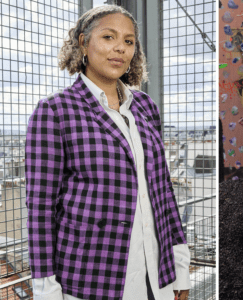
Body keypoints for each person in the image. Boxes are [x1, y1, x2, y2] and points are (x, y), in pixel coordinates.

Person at [25, 5, 190, 300]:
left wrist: (180, 268)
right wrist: (46, 290)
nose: (120, 49)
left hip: (157, 273)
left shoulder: (145, 107)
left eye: (128, 41)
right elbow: (40, 209)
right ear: (83, 43)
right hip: (93, 277)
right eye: (108, 37)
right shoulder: (55, 111)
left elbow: (163, 192)